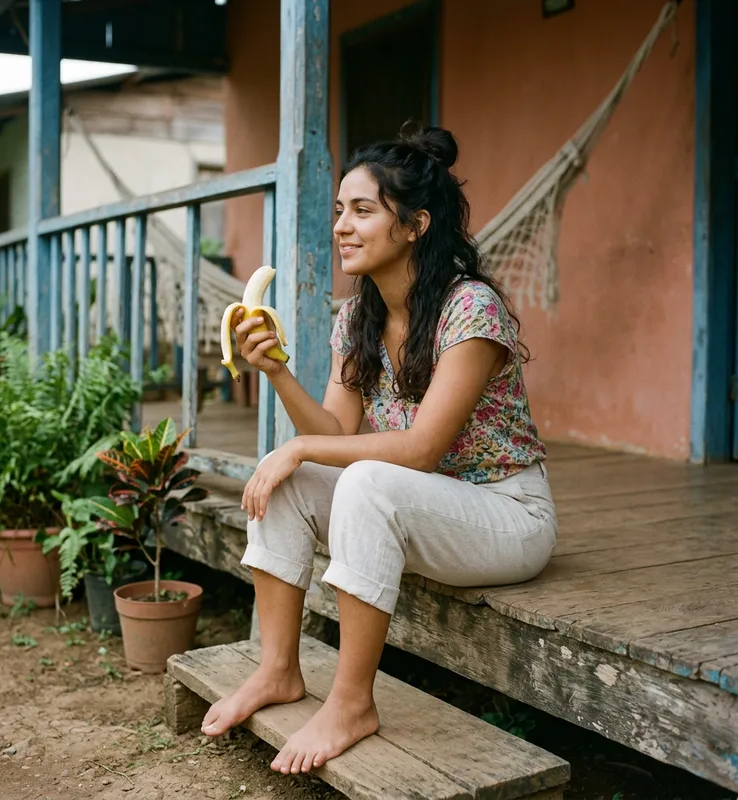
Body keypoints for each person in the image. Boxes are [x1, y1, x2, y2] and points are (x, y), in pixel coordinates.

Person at [201, 123, 557, 775]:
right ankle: (278, 669)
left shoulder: (470, 310)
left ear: (416, 225)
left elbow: (420, 449)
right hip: (422, 507)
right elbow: (338, 434)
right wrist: (278, 373)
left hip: (507, 514)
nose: (342, 225)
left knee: (362, 478)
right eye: (340, 210)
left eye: (362, 210)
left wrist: (299, 446)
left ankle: (351, 702)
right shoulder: (357, 318)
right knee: (291, 480)